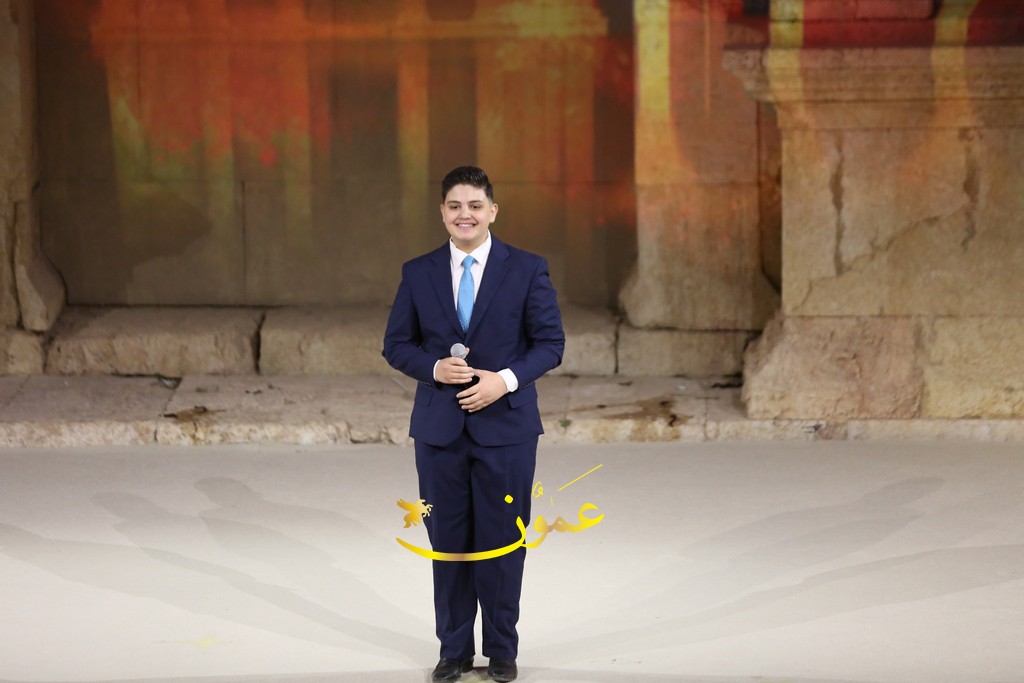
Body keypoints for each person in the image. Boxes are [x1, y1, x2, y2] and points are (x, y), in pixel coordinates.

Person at [383, 166, 565, 682]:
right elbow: (396, 344)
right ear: (442, 212)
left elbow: (550, 344)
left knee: (504, 542)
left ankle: (502, 651)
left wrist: (503, 381)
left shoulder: (527, 269)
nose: (465, 215)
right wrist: (433, 368)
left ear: (492, 211)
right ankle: (454, 651)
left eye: (475, 206)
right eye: (455, 206)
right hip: (439, 433)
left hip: (506, 430)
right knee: (448, 543)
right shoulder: (418, 272)